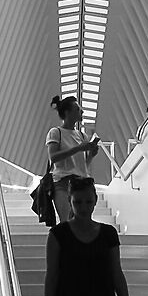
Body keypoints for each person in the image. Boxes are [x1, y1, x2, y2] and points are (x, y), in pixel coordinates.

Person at [45, 91, 97, 221]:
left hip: (81, 182)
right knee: (67, 220)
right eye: (78, 109)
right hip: (63, 182)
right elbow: (53, 157)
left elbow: (83, 165)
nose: (82, 111)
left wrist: (91, 154)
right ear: (68, 112)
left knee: (81, 219)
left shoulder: (81, 135)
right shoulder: (56, 132)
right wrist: (79, 148)